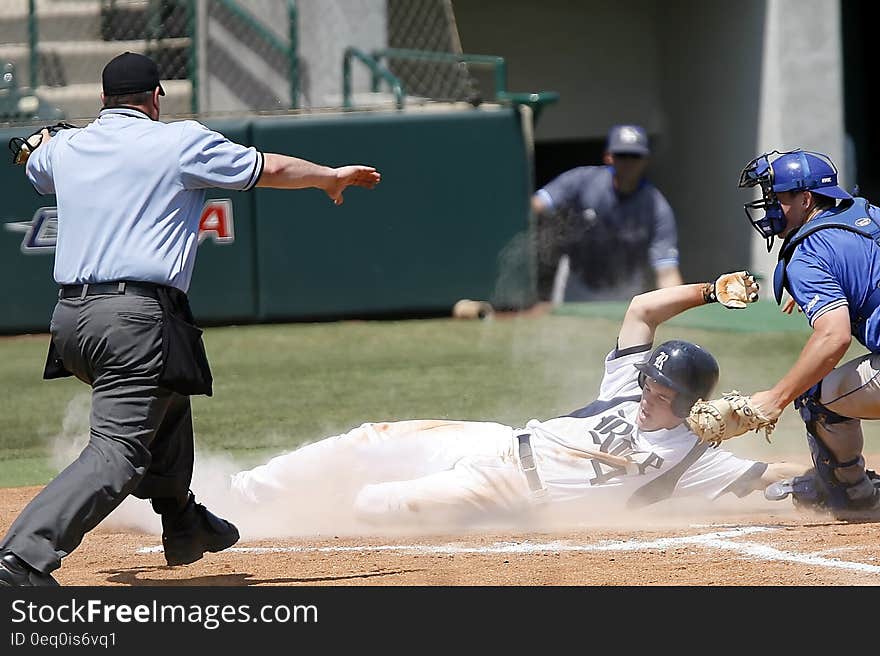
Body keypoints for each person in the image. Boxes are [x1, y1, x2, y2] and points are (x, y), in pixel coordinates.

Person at [0, 51, 381, 587]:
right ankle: (21, 557)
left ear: (103, 100)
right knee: (118, 452)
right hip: (135, 317)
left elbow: (36, 164)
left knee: (169, 392)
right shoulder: (178, 140)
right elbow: (267, 168)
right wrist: (328, 177)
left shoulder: (67, 146)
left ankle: (183, 522)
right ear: (156, 97)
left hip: (71, 322)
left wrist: (43, 143)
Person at [227, 274, 805, 531]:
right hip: (497, 441)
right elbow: (641, 310)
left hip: (510, 492)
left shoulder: (694, 457)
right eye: (648, 386)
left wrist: (846, 475)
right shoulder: (628, 391)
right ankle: (237, 497)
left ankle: (295, 516)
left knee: (376, 506)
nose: (647, 399)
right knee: (366, 440)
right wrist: (709, 290)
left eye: (662, 396)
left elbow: (773, 474)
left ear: (689, 403)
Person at [736, 149, 880, 520]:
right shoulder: (870, 215)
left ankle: (853, 493)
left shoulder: (808, 254)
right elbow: (861, 269)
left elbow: (834, 338)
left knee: (814, 393)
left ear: (806, 199)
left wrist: (777, 398)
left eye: (778, 198)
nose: (769, 207)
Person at [531, 124, 683, 304]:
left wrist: (678, 310)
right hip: (578, 283)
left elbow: (666, 271)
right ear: (609, 157)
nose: (628, 163)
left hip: (626, 290)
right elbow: (537, 204)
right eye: (622, 155)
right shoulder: (582, 180)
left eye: (635, 156)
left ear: (646, 160)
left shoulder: (657, 207)